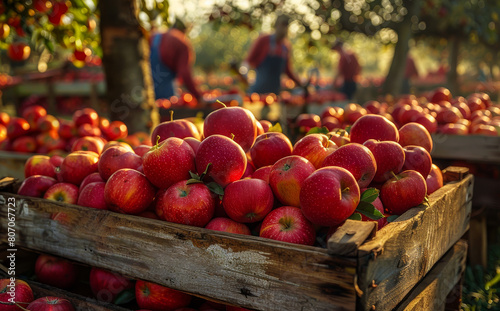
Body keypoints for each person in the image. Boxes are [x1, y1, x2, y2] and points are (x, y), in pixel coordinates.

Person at [244, 15, 302, 95]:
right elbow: (248, 61)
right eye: (282, 24)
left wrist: (300, 83)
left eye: (286, 26)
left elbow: (287, 70)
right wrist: (244, 76)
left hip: (274, 94)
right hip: (258, 92)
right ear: (276, 25)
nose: (284, 29)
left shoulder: (285, 47)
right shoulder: (263, 40)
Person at [149, 19, 203, 105]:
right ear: (184, 31)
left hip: (147, 78)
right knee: (167, 106)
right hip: (163, 80)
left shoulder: (154, 36)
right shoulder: (181, 42)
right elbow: (184, 73)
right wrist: (198, 96)